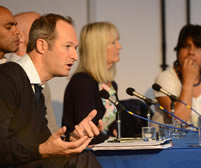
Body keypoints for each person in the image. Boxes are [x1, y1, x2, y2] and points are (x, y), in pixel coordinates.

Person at [0, 7, 102, 168]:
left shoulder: (35, 87)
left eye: (74, 49)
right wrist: (42, 150)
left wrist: (72, 141)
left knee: (83, 158)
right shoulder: (6, 77)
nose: (75, 57)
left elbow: (43, 145)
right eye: (67, 46)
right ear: (42, 46)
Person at [62, 22, 122, 144]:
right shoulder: (82, 83)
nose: (119, 46)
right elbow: (86, 132)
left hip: (105, 151)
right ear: (98, 48)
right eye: (113, 42)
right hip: (87, 155)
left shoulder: (110, 85)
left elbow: (114, 128)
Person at [5, 11, 59, 133]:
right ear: (20, 36)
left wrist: (66, 143)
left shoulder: (40, 76)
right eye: (38, 26)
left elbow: (50, 127)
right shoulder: (7, 75)